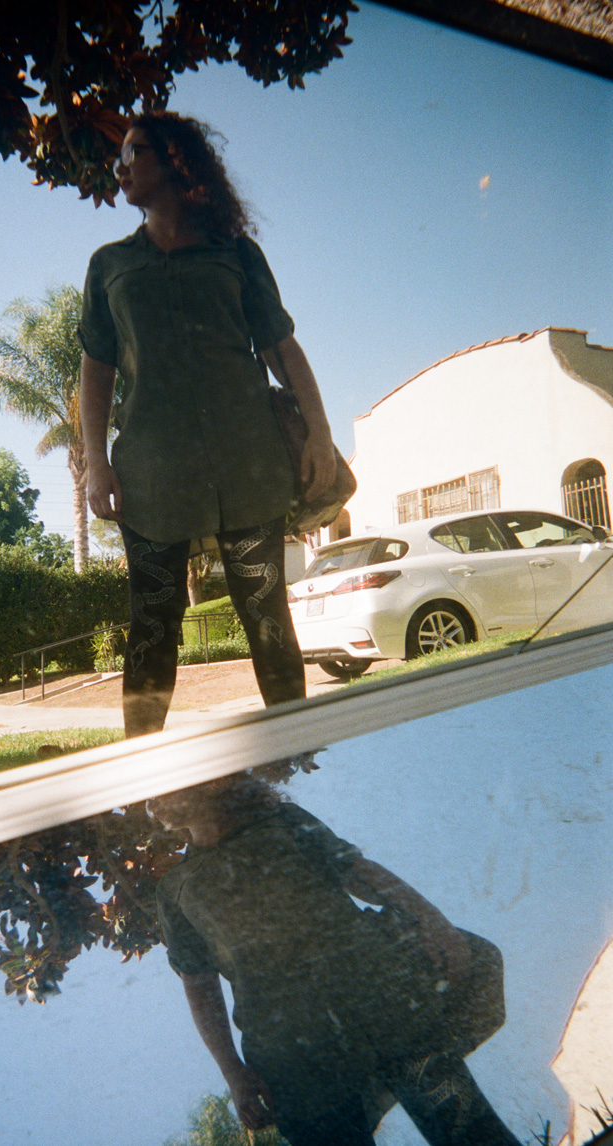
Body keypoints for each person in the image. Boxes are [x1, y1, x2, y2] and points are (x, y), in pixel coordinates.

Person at [78, 111, 336, 737]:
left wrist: (321, 437)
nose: (122, 166)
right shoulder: (110, 264)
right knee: (153, 627)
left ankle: (298, 761)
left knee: (268, 617)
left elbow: (280, 347)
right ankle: (142, 777)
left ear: (175, 161)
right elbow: (96, 369)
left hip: (247, 464)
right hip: (152, 473)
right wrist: (97, 462)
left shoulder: (235, 253)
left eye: (135, 152)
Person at [148, 775, 522, 1146]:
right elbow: (199, 984)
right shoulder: (176, 888)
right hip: (296, 1059)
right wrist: (234, 1073)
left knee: (473, 1135)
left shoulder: (281, 821)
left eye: (160, 788)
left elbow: (358, 872)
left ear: (206, 780)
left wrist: (434, 923)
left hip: (387, 1011)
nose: (151, 805)